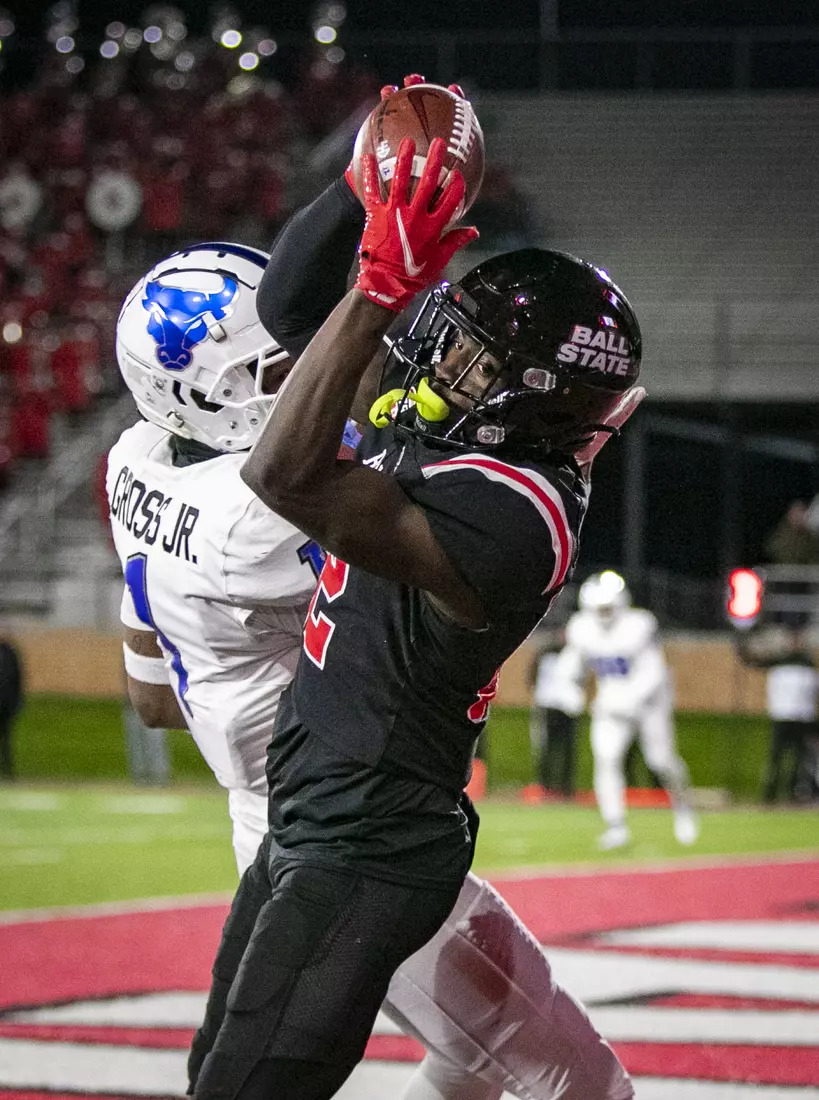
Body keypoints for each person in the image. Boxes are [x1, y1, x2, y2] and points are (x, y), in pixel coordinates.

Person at [109, 231, 637, 1100]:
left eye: (472, 356)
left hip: (336, 827)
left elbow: (155, 694)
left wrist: (378, 254)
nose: (439, 361)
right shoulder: (365, 473)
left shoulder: (139, 462)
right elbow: (296, 379)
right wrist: (371, 236)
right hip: (329, 828)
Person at [561, 570, 698, 850]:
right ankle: (616, 826)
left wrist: (629, 699)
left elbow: (655, 672)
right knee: (606, 758)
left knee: (660, 761)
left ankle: (683, 807)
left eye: (608, 607)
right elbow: (571, 665)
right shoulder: (582, 628)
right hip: (612, 702)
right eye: (598, 608)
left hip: (649, 702)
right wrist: (570, 690)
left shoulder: (639, 625)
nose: (603, 613)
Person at [735, 626, 819, 803]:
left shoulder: (804, 663)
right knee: (778, 757)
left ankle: (792, 791)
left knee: (795, 758)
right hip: (785, 714)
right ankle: (772, 792)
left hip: (800, 716)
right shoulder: (783, 661)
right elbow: (752, 661)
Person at [525, 629, 583, 800]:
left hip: (568, 707)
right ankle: (547, 786)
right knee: (547, 748)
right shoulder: (544, 655)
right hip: (548, 705)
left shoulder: (573, 656)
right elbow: (532, 676)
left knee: (567, 750)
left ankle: (565, 788)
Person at [0, 630, 23, 779]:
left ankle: (7, 772)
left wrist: (17, 701)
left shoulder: (9, 653)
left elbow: (17, 678)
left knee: (5, 739)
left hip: (5, 704)